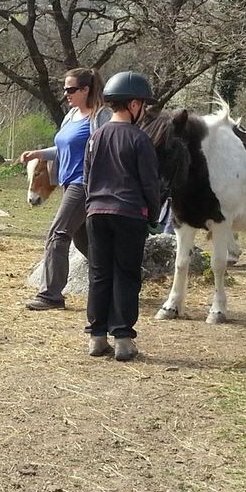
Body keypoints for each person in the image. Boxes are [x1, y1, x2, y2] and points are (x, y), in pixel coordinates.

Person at [83, 72, 161, 361]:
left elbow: (87, 177)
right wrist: (153, 213)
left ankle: (97, 336)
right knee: (126, 275)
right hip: (129, 213)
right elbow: (149, 183)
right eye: (142, 104)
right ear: (133, 104)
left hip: (96, 212)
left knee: (99, 274)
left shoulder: (95, 137)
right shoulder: (140, 140)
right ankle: (124, 339)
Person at [20, 67, 109, 310]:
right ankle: (116, 280)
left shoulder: (101, 117)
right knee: (85, 243)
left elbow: (108, 146)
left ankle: (51, 295)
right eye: (65, 89)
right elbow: (63, 147)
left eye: (70, 89)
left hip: (84, 184)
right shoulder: (71, 115)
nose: (66, 94)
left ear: (85, 90)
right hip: (69, 182)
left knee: (57, 234)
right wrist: (39, 153)